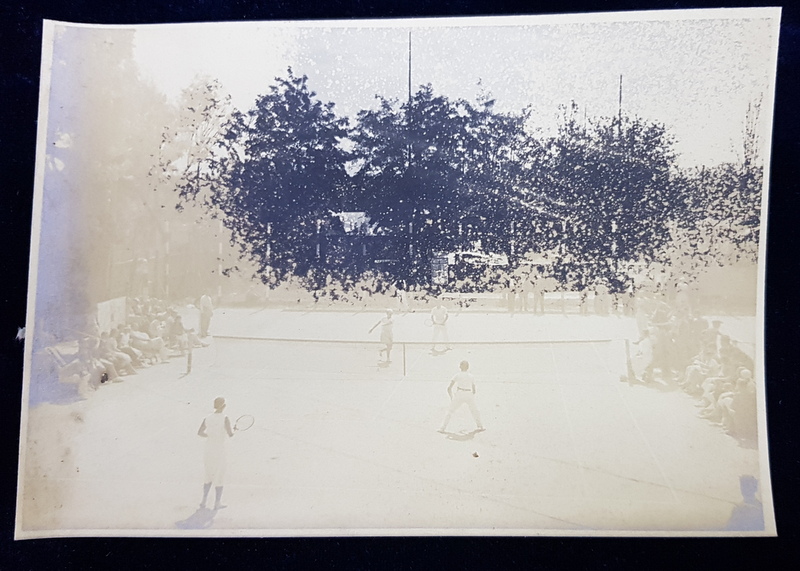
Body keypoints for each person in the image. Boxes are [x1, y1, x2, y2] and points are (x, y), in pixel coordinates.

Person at [197, 396, 234, 510]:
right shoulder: (225, 418)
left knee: (208, 476)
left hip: (208, 449)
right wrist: (234, 430)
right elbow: (230, 434)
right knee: (219, 477)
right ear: (224, 406)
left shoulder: (207, 418)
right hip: (219, 450)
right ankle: (217, 503)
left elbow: (200, 432)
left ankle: (203, 501)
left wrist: (210, 435)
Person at [439, 360, 485, 433]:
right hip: (468, 394)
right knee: (475, 411)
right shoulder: (471, 376)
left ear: (460, 367)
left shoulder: (457, 375)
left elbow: (449, 388)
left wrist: (451, 397)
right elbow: (474, 390)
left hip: (459, 394)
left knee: (450, 411)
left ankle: (442, 428)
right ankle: (480, 426)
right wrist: (471, 397)